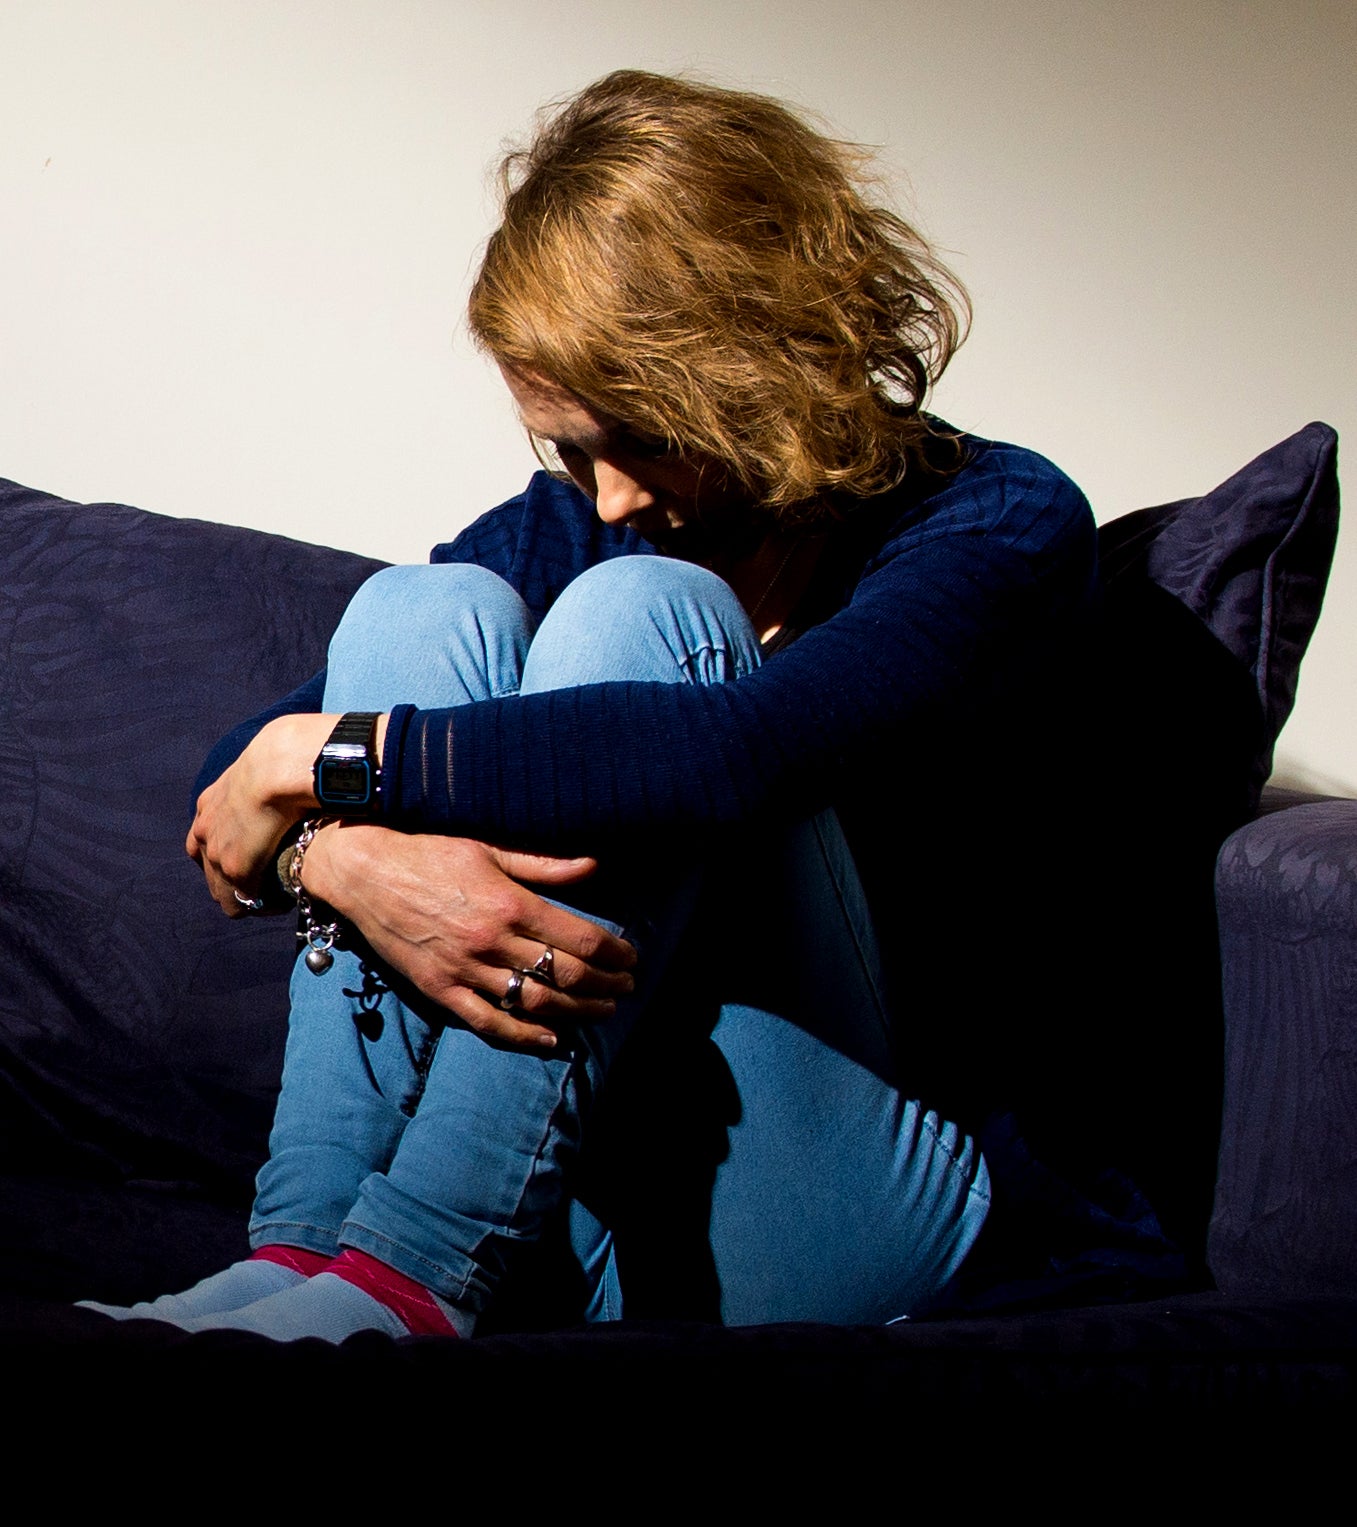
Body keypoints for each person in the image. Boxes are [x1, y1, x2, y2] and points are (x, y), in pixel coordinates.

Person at [80, 70, 1117, 1342]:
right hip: (591, 1185)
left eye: (641, 432)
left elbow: (735, 757)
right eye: (571, 449)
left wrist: (317, 776)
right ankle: (304, 1260)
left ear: (760, 363)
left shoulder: (997, 523)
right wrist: (351, 863)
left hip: (856, 1187)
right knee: (423, 610)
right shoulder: (570, 525)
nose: (609, 497)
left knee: (645, 617)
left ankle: (411, 1280)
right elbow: (237, 784)